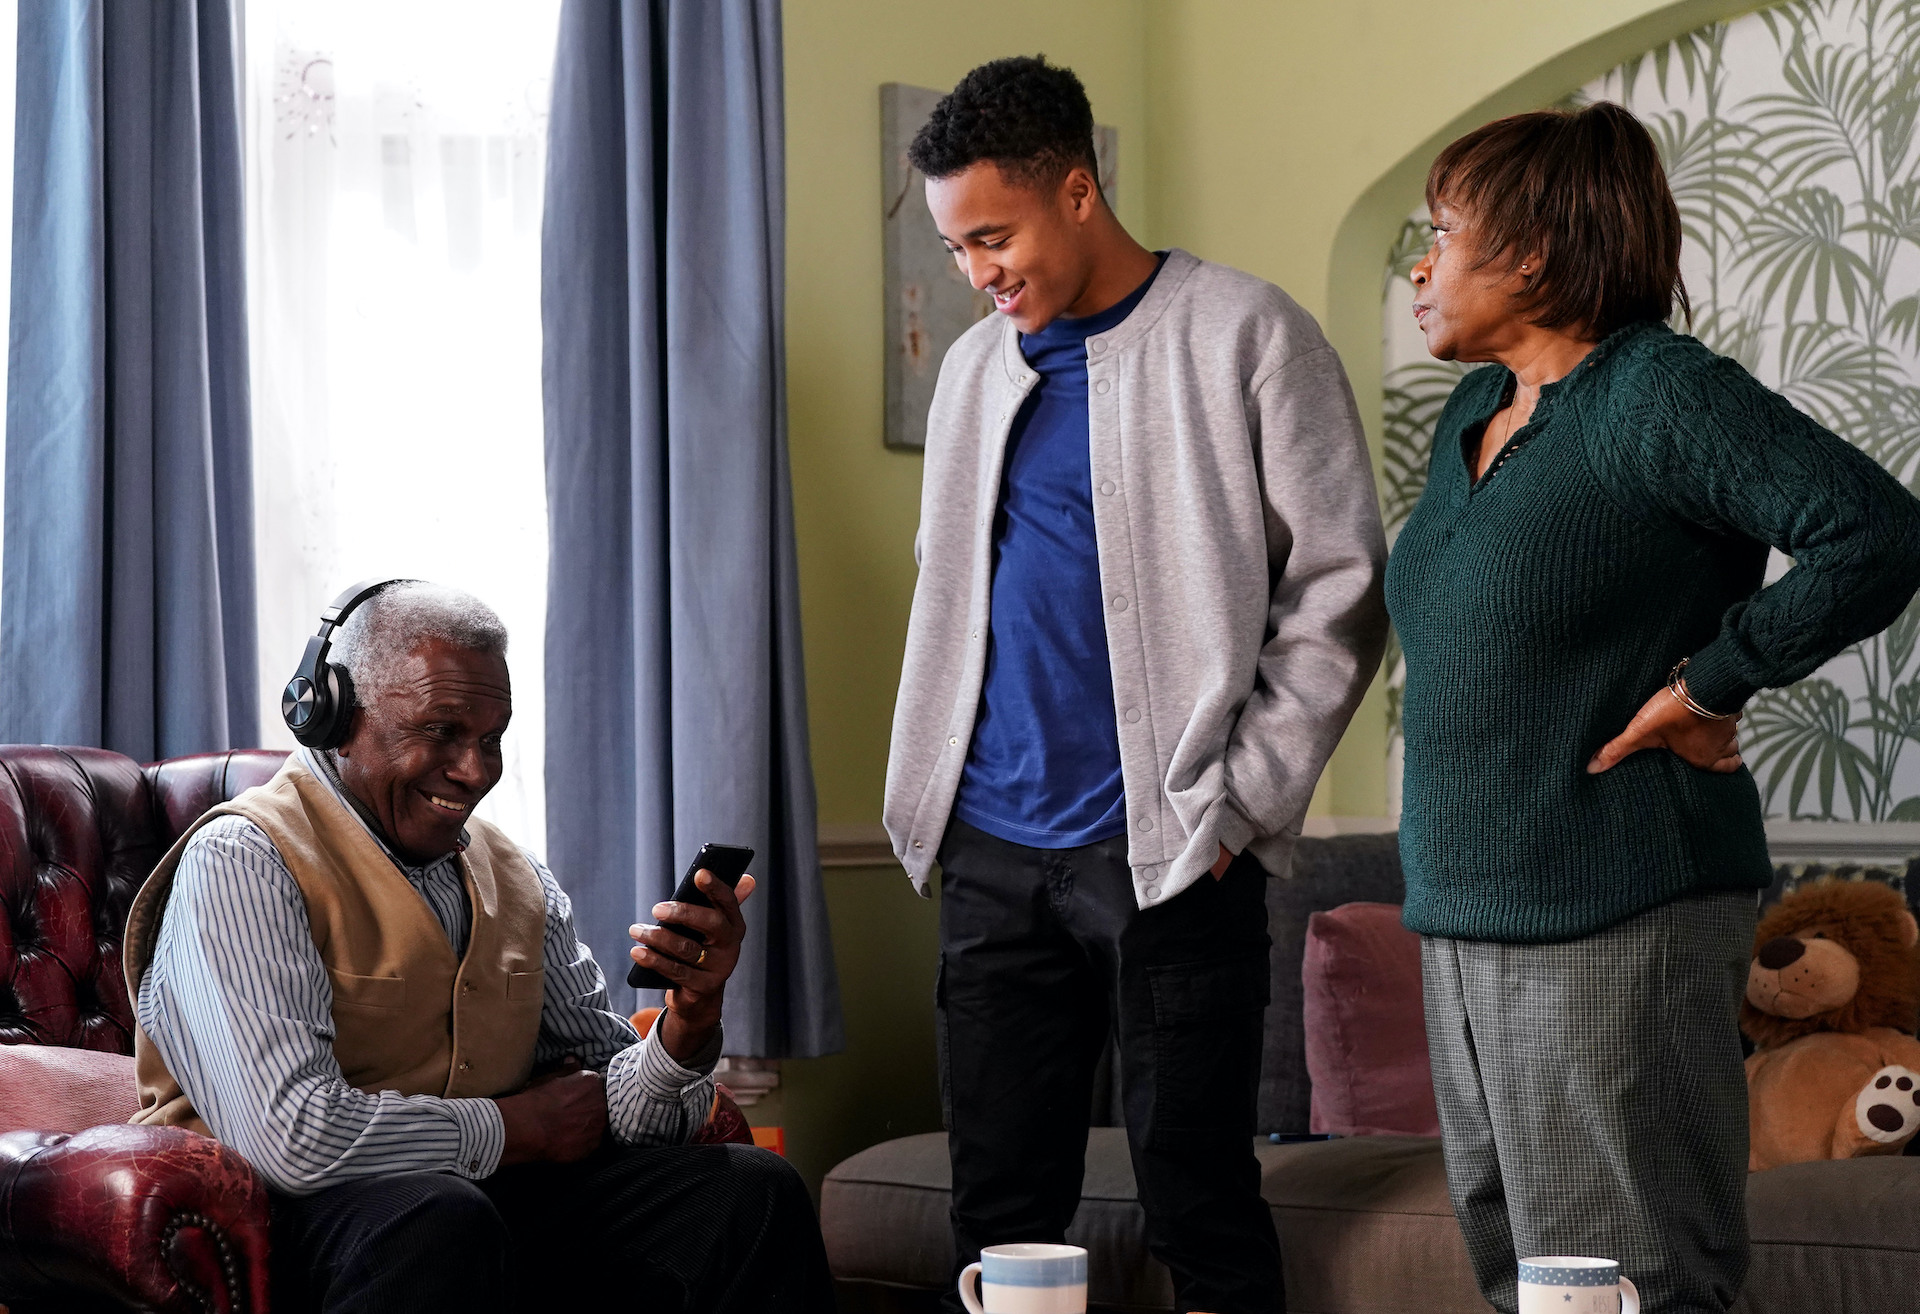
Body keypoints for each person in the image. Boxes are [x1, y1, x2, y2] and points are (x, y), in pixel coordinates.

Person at [1390, 103, 1920, 1314]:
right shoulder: (1475, 416)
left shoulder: (1658, 394)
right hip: (1464, 906)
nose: (1420, 265)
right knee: (1517, 1273)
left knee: (1630, 1277)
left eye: (1441, 233)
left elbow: (1875, 534)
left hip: (1616, 905)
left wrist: (1711, 684)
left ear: (1529, 254)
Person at [884, 56, 1388, 1314]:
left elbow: (1339, 586)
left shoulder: (1247, 334)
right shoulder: (972, 374)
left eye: (992, 237)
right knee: (997, 1210)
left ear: (1078, 189)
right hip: (992, 846)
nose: (977, 275)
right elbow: (950, 588)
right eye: (955, 250)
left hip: (1170, 848)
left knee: (1198, 1202)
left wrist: (1242, 802)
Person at [123, 581, 833, 1313]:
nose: (476, 771)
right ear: (332, 715)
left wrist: (690, 1021)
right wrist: (516, 1126)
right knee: (440, 1220)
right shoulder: (245, 859)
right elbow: (292, 1139)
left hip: (479, 1206)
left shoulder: (518, 875)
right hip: (292, 1225)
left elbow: (603, 1106)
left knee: (751, 1191)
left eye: (491, 738)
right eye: (441, 731)